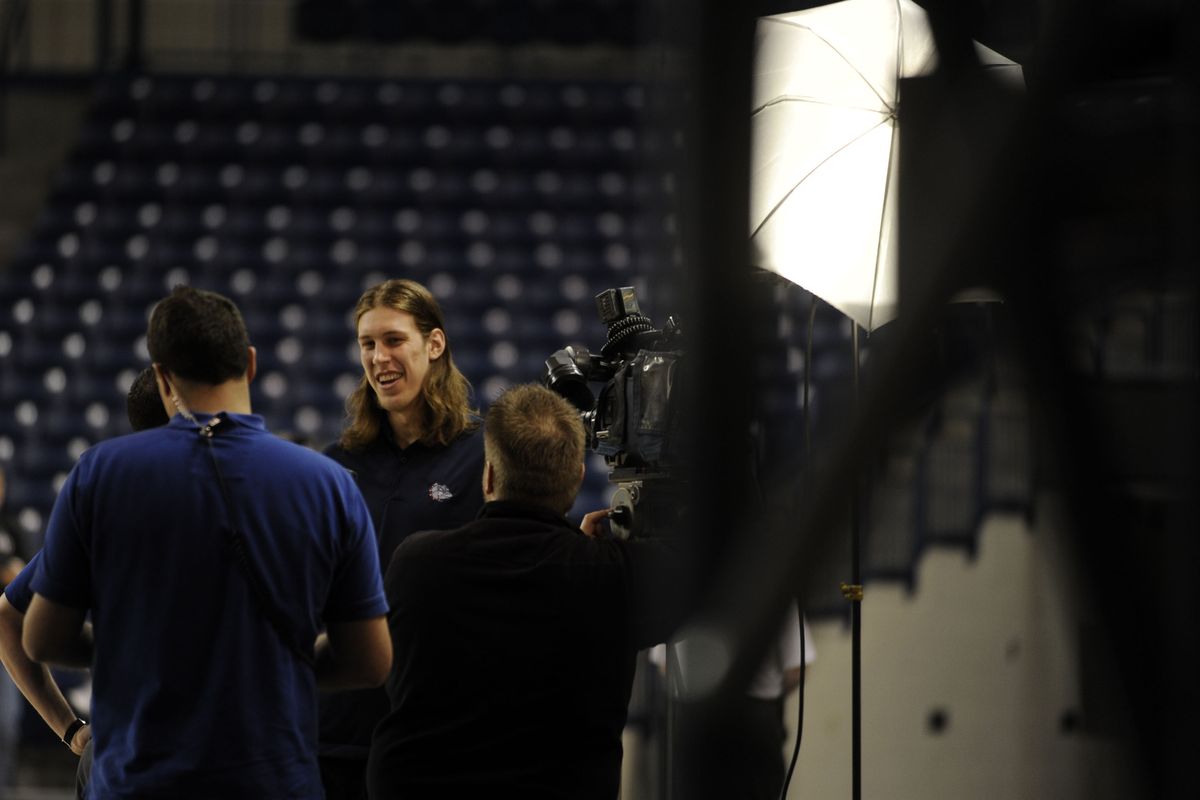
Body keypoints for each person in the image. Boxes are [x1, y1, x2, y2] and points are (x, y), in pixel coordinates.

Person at [22, 286, 392, 798]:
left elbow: (40, 639)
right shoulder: (329, 484)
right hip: (273, 784)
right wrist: (272, 664)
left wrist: (138, 652)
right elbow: (370, 662)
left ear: (162, 377)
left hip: (137, 783)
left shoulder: (99, 475)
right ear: (251, 363)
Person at [366, 383, 679, 799]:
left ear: (490, 474)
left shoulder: (414, 563)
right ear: (577, 478)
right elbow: (720, 563)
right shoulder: (615, 578)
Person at [318, 278, 485, 799]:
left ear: (434, 345)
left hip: (436, 732)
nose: (378, 357)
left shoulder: (482, 456)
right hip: (335, 730)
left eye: (393, 340)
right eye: (367, 344)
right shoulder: (336, 463)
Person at [0, 366, 169, 796]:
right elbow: (13, 623)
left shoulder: (106, 513)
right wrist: (71, 728)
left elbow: (9, 618)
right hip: (143, 757)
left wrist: (71, 730)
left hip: (118, 752)